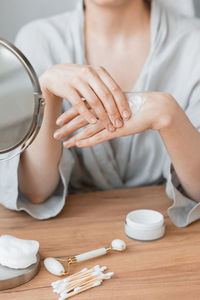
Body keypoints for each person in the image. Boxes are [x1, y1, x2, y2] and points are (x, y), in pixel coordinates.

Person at [0, 0, 200, 227]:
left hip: (170, 234)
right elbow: (36, 193)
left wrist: (170, 116)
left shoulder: (195, 42)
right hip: (72, 230)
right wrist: (46, 93)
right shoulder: (38, 40)